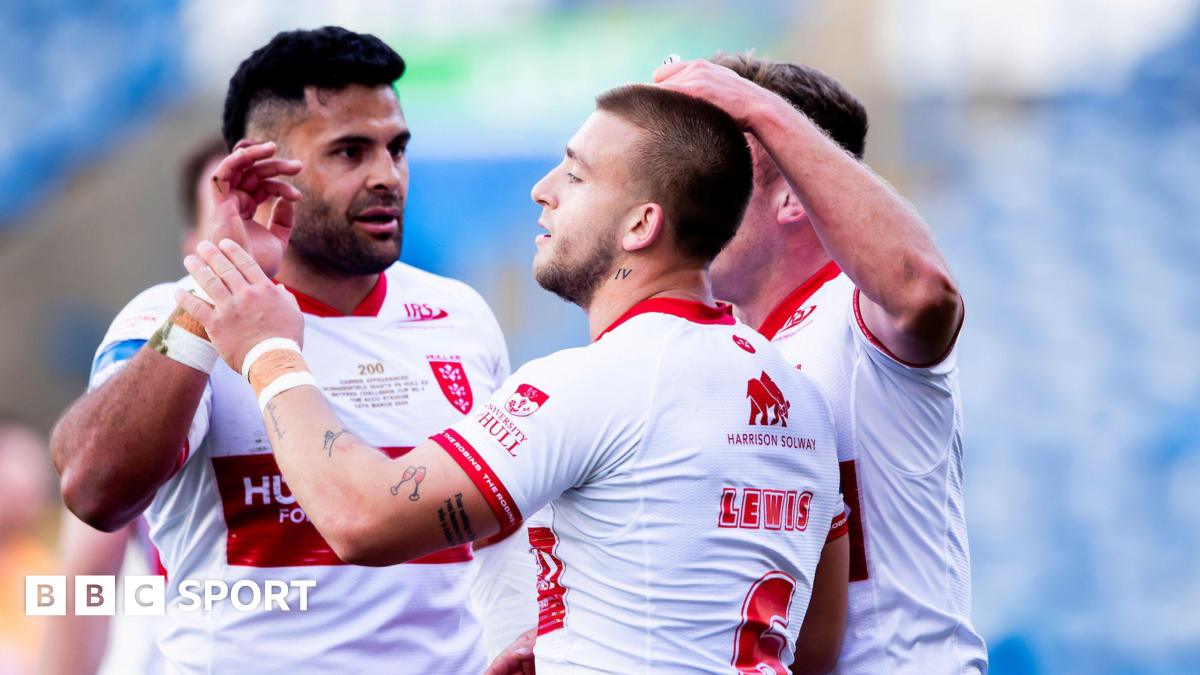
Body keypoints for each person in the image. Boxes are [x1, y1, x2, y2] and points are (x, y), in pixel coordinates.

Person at [177, 82, 848, 673]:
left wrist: (270, 354)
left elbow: (362, 517)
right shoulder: (798, 394)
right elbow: (812, 646)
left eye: (576, 176)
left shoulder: (596, 380)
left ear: (642, 224)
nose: (543, 189)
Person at [50, 27, 509, 673]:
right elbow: (93, 490)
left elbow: (502, 538)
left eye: (396, 148)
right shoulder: (171, 315)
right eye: (350, 152)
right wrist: (212, 294)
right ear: (259, 167)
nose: (387, 176)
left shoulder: (460, 315)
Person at [654, 55, 988, 673]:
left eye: (719, 172)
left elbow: (925, 293)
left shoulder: (855, 316)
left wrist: (756, 107)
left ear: (790, 198)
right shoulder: (724, 352)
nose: (690, 195)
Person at [40, 136, 226, 675]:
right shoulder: (152, 373)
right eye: (227, 220)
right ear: (193, 244)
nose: (248, 235)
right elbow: (83, 579)